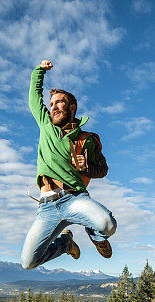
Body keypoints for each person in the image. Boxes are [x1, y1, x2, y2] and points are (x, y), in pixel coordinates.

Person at [21, 59, 117, 270]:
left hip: (74, 198)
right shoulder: (46, 125)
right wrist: (39, 71)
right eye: (51, 103)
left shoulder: (88, 138)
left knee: (108, 225)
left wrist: (87, 168)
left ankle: (96, 237)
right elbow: (34, 98)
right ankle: (66, 244)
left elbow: (103, 169)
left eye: (59, 102)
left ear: (71, 107)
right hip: (46, 206)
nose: (53, 106)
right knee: (28, 262)